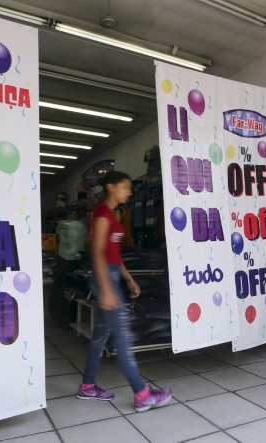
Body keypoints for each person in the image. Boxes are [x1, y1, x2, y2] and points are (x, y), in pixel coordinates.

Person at [77, 171, 172, 412]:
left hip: (110, 277)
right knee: (123, 339)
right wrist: (107, 290)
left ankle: (87, 387)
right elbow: (97, 253)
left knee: (99, 339)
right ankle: (142, 394)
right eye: (125, 187)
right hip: (104, 280)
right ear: (111, 187)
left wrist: (129, 279)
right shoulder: (101, 214)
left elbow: (114, 255)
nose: (129, 192)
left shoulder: (113, 215)